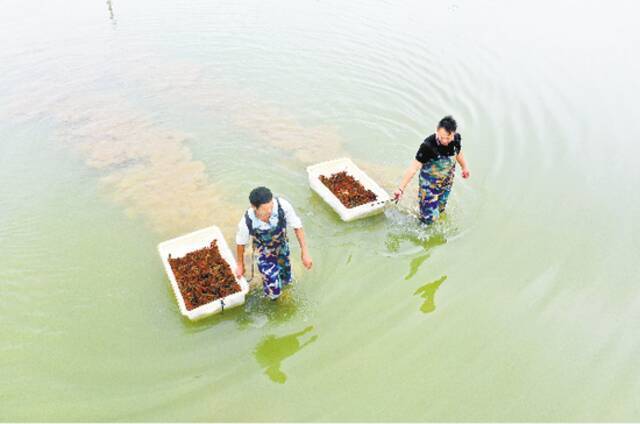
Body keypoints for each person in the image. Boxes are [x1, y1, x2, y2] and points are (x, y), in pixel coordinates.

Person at [235, 186, 313, 300]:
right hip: (263, 251)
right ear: (254, 207)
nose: (270, 211)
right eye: (265, 209)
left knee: (286, 279)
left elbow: (297, 227)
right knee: (273, 288)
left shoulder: (282, 206)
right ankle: (273, 300)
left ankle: (285, 291)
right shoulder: (247, 221)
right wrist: (240, 265)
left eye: (271, 206)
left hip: (282, 246)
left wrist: (305, 253)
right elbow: (240, 243)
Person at [393, 116, 470, 224]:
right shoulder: (427, 146)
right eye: (441, 137)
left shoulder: (456, 139)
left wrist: (464, 167)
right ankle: (412, 219)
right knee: (429, 220)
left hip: (446, 183)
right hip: (429, 186)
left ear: (453, 133)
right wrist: (400, 189)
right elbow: (413, 168)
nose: (444, 141)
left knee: (440, 210)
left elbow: (458, 153)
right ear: (437, 131)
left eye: (448, 138)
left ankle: (423, 209)